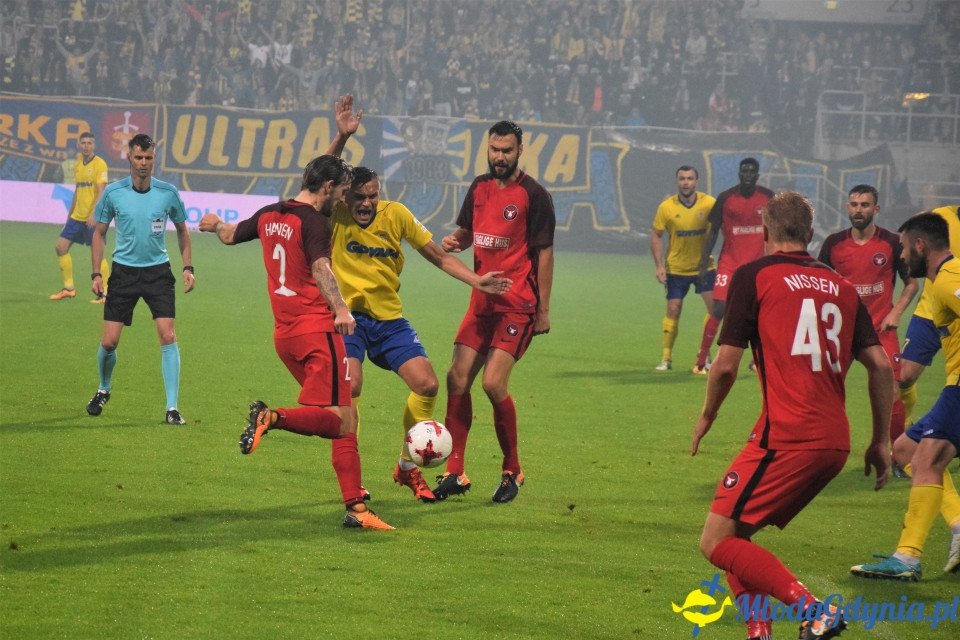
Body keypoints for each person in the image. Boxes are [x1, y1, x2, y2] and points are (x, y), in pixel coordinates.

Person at [692, 191, 893, 640]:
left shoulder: (755, 275)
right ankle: (759, 631)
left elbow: (724, 366)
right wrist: (880, 441)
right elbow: (881, 366)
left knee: (716, 540)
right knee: (734, 533)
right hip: (834, 442)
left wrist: (707, 414)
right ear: (811, 233)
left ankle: (816, 611)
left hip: (786, 436)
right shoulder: (842, 286)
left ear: (764, 231)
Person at [324, 95, 513, 503]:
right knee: (350, 387)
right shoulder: (336, 215)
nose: (367, 203)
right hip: (348, 320)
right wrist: (341, 138)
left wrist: (476, 281)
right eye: (359, 197)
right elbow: (319, 177)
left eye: (373, 195)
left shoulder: (396, 215)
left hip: (388, 320)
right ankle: (354, 481)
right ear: (345, 197)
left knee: (427, 384)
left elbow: (439, 256)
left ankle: (407, 467)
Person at [197, 154, 394, 531]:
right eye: (342, 192)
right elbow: (321, 267)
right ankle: (271, 417)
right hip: (318, 333)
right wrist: (341, 308)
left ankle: (356, 507)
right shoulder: (315, 222)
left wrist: (216, 223)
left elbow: (229, 235)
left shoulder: (270, 213)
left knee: (343, 413)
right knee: (340, 422)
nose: (344, 200)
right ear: (327, 187)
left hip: (285, 336)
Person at [435, 120, 555, 504]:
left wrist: (543, 310)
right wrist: (457, 241)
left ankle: (512, 469)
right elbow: (470, 232)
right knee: (456, 377)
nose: (499, 157)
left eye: (506, 150)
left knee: (492, 383)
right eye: (494, 150)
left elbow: (545, 254)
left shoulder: (535, 195)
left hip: (517, 306)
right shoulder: (479, 187)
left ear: (520, 150)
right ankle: (455, 471)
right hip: (481, 303)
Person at [851, 211, 960, 581]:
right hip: (954, 388)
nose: (900, 256)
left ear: (920, 246)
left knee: (924, 458)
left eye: (903, 248)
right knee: (907, 449)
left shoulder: (948, 280)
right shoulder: (945, 279)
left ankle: (908, 558)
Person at [86, 134, 194, 425]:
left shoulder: (168, 193)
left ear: (154, 158)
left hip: (158, 273)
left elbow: (183, 231)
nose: (143, 163)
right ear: (129, 158)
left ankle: (172, 408)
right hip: (123, 273)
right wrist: (96, 273)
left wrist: (188, 267)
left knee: (168, 336)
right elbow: (99, 233)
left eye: (148, 158)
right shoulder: (114, 193)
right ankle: (103, 389)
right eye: (138, 157)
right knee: (109, 342)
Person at [817, 184, 918, 468]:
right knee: (826, 391)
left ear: (876, 209)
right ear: (847, 207)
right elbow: (820, 284)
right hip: (841, 332)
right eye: (854, 204)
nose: (858, 210)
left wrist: (896, 312)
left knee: (893, 391)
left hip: (880, 332)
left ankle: (899, 458)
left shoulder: (892, 242)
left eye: (864, 205)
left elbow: (912, 283)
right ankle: (820, 452)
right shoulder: (833, 244)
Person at [695, 157, 774, 374]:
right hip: (729, 263)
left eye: (751, 172)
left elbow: (777, 228)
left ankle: (757, 360)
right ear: (739, 174)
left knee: (760, 312)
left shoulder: (768, 197)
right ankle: (701, 359)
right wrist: (703, 263)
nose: (747, 175)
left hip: (756, 266)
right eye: (744, 171)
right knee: (719, 308)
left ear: (757, 175)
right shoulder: (726, 198)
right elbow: (713, 231)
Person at [897, 205, 960, 426]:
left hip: (956, 312)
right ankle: (904, 430)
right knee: (904, 376)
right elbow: (913, 232)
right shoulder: (942, 214)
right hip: (929, 312)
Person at [650, 166, 716, 371]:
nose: (686, 182)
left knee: (714, 310)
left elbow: (721, 228)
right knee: (673, 309)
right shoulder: (666, 207)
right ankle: (666, 358)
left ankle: (704, 354)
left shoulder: (709, 203)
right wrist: (659, 265)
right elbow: (656, 235)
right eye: (682, 179)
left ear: (696, 182)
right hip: (676, 268)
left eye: (690, 178)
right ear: (676, 182)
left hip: (704, 267)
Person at [50, 132, 110, 302]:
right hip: (77, 217)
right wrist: (69, 217)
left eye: (89, 143)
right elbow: (77, 192)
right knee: (60, 247)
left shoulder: (100, 164)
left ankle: (105, 293)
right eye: (83, 143)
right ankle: (68, 288)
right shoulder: (78, 166)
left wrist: (94, 214)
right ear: (79, 145)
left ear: (94, 145)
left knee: (97, 255)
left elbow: (102, 191)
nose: (86, 146)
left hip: (93, 218)